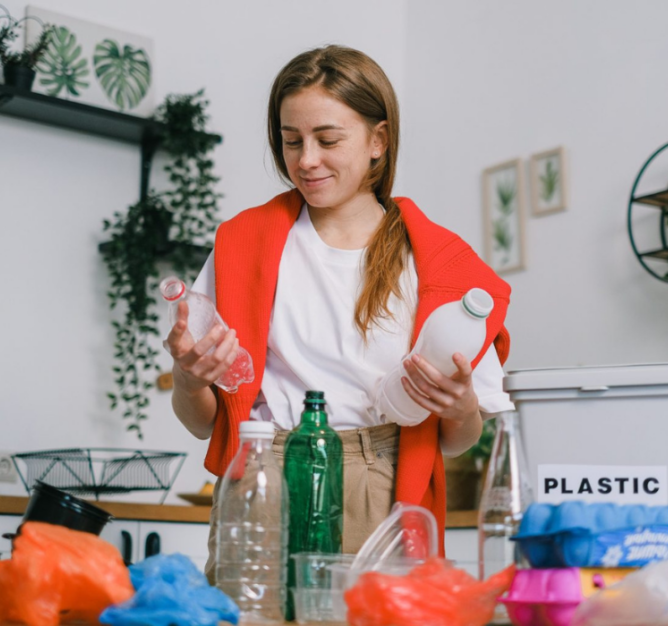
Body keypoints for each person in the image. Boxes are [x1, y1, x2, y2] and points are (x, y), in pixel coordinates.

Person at [166, 45, 513, 577]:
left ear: (378, 141)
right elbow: (201, 423)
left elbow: (460, 441)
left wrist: (459, 404)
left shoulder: (440, 265)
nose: (306, 160)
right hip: (264, 481)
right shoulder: (241, 246)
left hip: (385, 491)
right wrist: (190, 382)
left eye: (328, 140)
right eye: (291, 141)